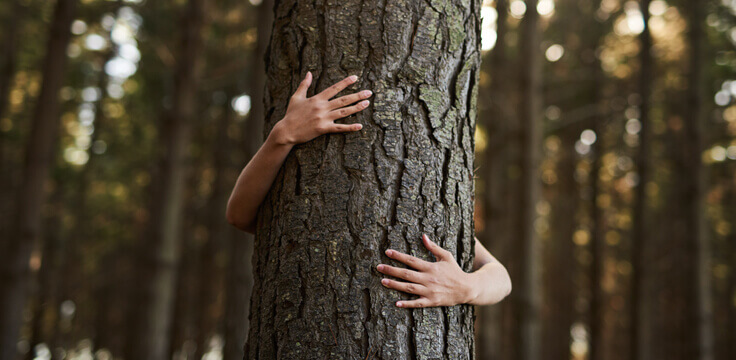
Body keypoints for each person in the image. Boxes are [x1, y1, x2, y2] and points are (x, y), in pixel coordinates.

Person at [226, 71, 512, 308]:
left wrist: (467, 287)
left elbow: (501, 278)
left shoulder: (439, 213)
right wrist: (282, 136)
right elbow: (239, 214)